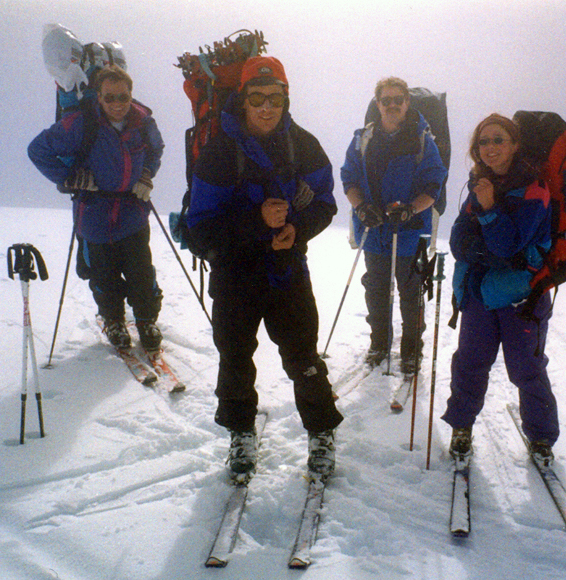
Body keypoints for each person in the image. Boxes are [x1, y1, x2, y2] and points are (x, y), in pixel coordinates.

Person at [185, 56, 343, 482]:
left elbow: (326, 203)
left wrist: (297, 228)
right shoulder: (220, 152)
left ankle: (322, 432)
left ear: (285, 97)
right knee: (235, 359)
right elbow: (199, 227)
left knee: (303, 358)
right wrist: (258, 223)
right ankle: (240, 434)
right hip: (235, 277)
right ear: (244, 98)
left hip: (287, 272)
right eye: (257, 97)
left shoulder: (303, 144)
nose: (267, 106)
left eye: (275, 97)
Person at [441, 113, 559, 464]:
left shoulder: (534, 189)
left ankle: (541, 438)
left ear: (515, 144)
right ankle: (461, 426)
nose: (490, 147)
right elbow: (459, 238)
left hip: (522, 297)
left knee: (527, 368)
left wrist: (489, 209)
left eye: (498, 140)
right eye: (483, 141)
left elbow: (508, 245)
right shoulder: (479, 182)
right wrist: (481, 244)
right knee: (470, 363)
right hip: (480, 293)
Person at [28, 65, 165, 352]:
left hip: (133, 211)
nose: (118, 104)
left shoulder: (143, 123)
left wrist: (147, 174)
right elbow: (38, 149)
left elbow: (155, 149)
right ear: (99, 97)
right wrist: (68, 178)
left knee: (141, 271)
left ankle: (146, 320)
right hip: (93, 213)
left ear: (131, 95)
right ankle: (113, 320)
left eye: (123, 97)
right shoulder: (81, 124)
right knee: (104, 274)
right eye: (110, 97)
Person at [340, 77, 447, 374]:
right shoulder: (363, 139)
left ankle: (412, 351)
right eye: (386, 100)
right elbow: (348, 177)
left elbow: (434, 183)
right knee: (376, 290)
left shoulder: (422, 140)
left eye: (398, 99)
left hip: (409, 233)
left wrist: (411, 210)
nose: (392, 105)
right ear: (378, 104)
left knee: (411, 293)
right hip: (374, 231)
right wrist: (361, 207)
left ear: (407, 102)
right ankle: (379, 344)